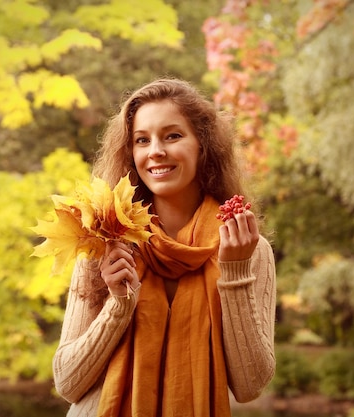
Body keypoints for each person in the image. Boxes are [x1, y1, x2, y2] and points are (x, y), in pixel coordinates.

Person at [52, 78, 276, 417]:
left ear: (203, 145)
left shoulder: (245, 248)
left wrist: (234, 273)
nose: (156, 150)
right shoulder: (105, 240)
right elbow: (67, 382)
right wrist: (119, 305)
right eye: (142, 140)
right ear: (131, 152)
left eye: (172, 136)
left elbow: (249, 385)